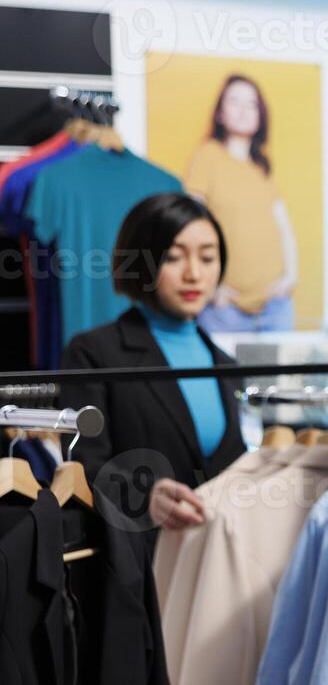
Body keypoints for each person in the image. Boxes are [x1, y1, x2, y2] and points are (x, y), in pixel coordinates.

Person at [61, 193, 247, 536]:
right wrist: (144, 497)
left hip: (217, 560)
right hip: (140, 564)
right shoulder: (94, 354)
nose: (194, 274)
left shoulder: (226, 366)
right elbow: (83, 467)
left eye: (208, 257)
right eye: (174, 257)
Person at [188, 73, 299, 334]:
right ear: (220, 113)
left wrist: (290, 278)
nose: (243, 110)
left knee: (281, 377)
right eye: (234, 101)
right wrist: (210, 289)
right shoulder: (207, 156)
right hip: (225, 311)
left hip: (275, 307)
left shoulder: (261, 166)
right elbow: (190, 225)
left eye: (251, 104)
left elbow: (284, 229)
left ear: (260, 114)